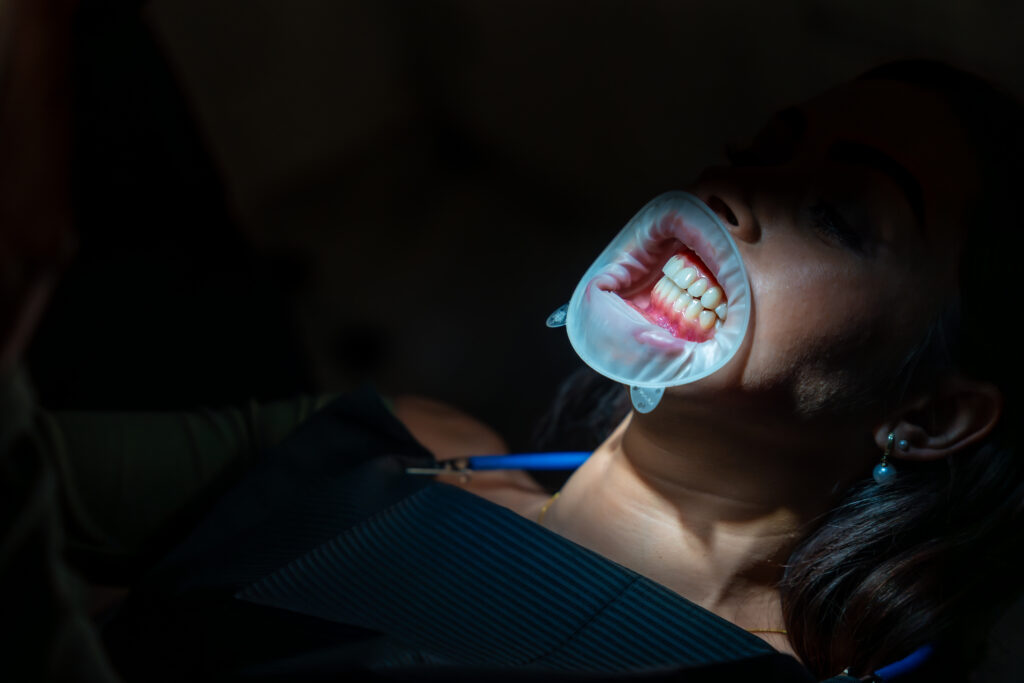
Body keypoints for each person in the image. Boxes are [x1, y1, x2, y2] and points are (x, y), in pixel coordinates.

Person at [4, 45, 1023, 683]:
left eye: (836, 214)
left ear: (931, 416)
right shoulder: (407, 443)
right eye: (760, 147)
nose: (730, 191)